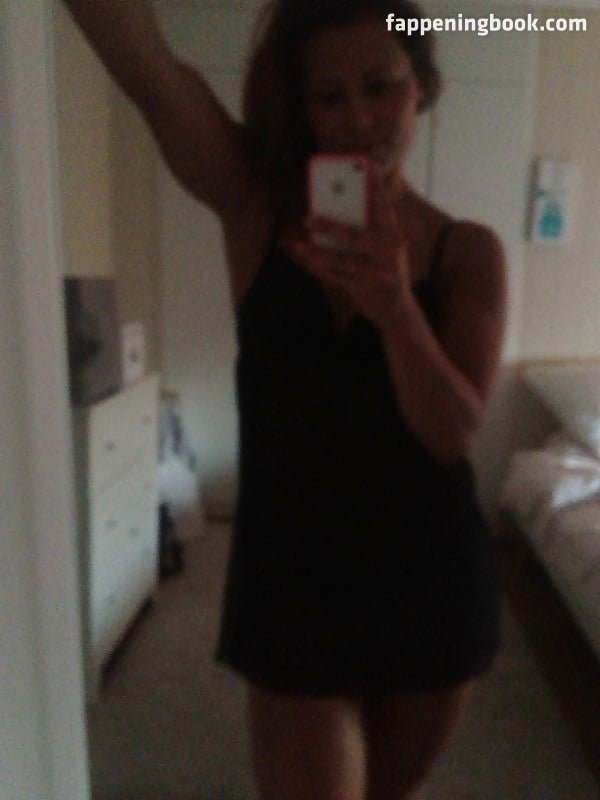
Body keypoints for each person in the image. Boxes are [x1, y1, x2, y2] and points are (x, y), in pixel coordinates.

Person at [61, 0, 507, 798]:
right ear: (302, 108)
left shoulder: (467, 253)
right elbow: (151, 73)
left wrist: (395, 309)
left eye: (380, 86)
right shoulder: (255, 205)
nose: (358, 119)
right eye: (329, 96)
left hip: (431, 583)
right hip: (295, 580)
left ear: (422, 83)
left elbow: (452, 433)